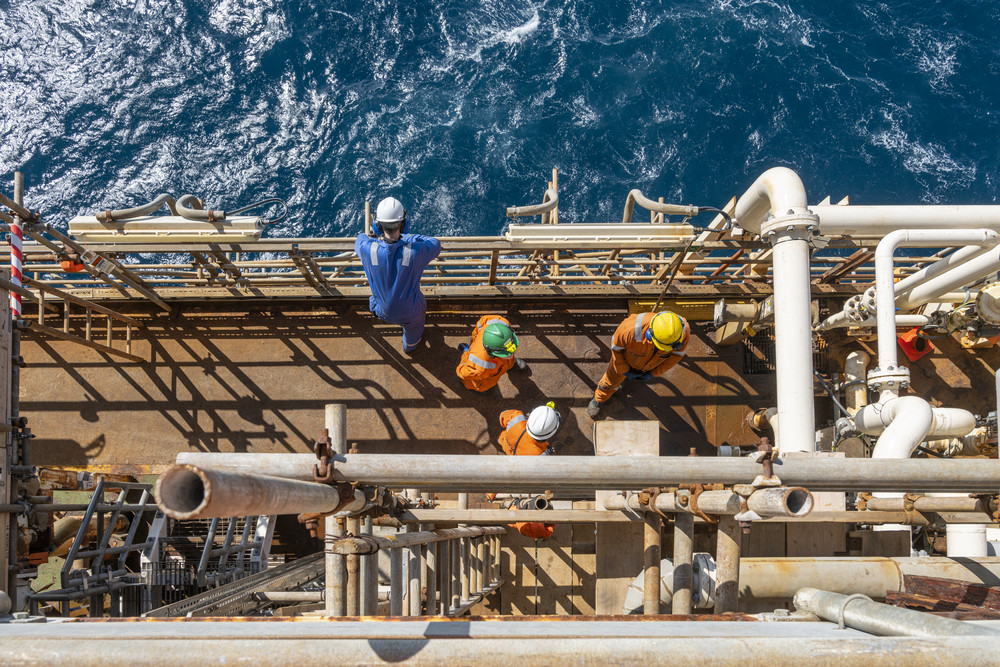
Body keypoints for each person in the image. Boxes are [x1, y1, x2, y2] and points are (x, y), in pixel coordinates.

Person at [355, 197, 441, 353]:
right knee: (414, 327)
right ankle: (410, 348)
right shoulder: (416, 251)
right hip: (410, 312)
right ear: (404, 224)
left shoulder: (367, 249)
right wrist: (410, 238)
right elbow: (435, 243)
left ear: (377, 225)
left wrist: (372, 235)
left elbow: (360, 238)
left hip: (380, 310)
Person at [588, 310, 690, 419]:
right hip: (625, 361)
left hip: (649, 366)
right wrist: (623, 369)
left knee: (622, 380)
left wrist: (653, 373)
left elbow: (676, 357)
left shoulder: (681, 332)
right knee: (610, 381)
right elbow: (616, 350)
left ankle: (623, 381)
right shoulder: (630, 328)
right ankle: (599, 399)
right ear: (650, 334)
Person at [497, 402, 560, 540]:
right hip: (521, 465)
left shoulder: (517, 418)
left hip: (507, 444)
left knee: (503, 442)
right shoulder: (542, 454)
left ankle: (500, 441)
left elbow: (503, 416)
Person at [455, 314, 527, 392]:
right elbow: (462, 373)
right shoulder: (478, 365)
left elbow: (480, 325)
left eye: (511, 350)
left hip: (498, 364)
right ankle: (479, 389)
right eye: (506, 353)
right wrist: (467, 353)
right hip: (486, 378)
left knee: (509, 361)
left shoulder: (500, 322)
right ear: (490, 352)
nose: (511, 354)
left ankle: (511, 364)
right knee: (483, 385)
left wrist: (475, 341)